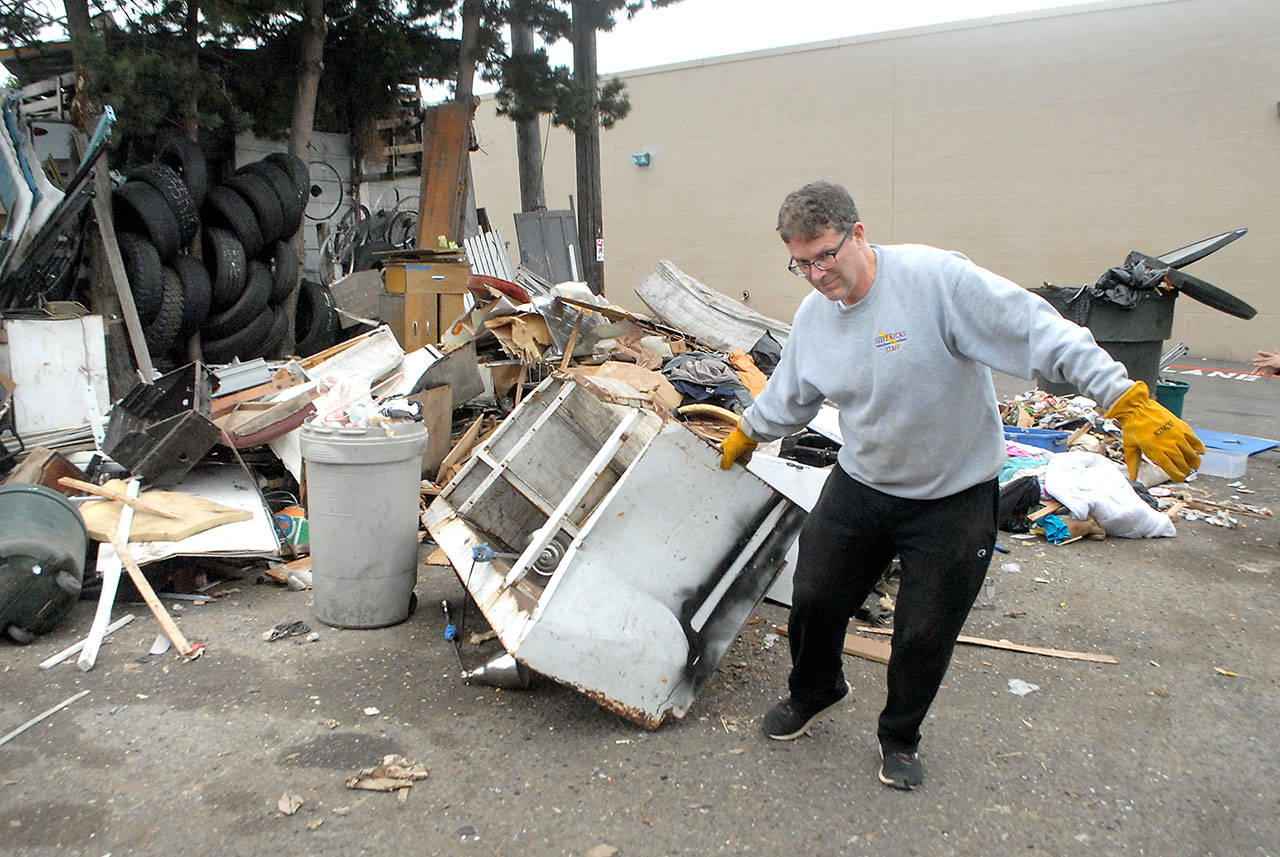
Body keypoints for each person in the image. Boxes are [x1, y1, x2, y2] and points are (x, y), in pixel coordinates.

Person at [719, 181, 1203, 790]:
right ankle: (815, 689)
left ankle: (900, 737)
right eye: (800, 263)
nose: (815, 275)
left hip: (952, 497)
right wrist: (748, 431)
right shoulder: (815, 319)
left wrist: (1123, 397)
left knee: (923, 630)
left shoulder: (936, 283)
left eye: (825, 256)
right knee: (814, 596)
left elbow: (1037, 330)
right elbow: (792, 392)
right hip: (863, 483)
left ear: (858, 235)